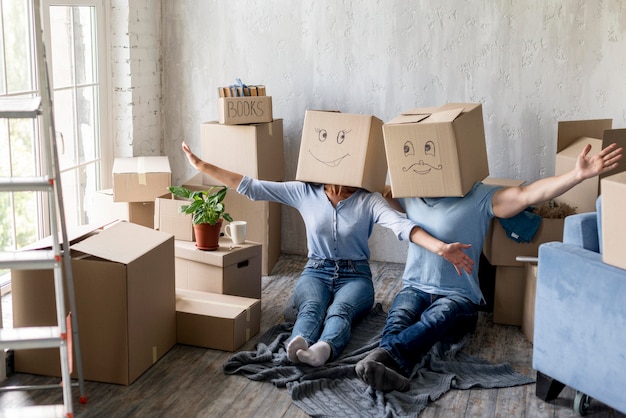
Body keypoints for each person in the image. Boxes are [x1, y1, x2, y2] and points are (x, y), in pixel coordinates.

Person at [180, 141, 475, 367]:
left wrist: (441, 248)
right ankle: (300, 344)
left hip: (355, 275)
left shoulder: (368, 200)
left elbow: (402, 226)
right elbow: (252, 187)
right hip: (316, 270)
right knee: (312, 306)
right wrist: (201, 164)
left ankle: (323, 350)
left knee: (340, 310)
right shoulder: (304, 192)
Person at [356, 142, 623, 392]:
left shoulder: (480, 196)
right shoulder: (410, 194)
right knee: (399, 317)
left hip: (459, 296)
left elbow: (529, 193)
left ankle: (389, 359)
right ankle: (386, 364)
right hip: (415, 286)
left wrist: (577, 175)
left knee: (438, 316)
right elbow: (370, 187)